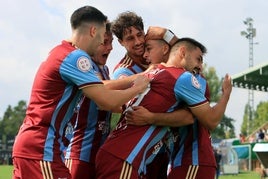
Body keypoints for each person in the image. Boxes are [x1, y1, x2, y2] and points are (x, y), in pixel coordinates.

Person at [12, 6, 149, 179]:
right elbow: (106, 100)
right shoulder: (76, 57)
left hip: (34, 145)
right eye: (101, 38)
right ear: (93, 31)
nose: (103, 44)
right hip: (42, 146)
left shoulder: (60, 52)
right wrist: (138, 86)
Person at [95, 37, 232, 179]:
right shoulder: (183, 78)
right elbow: (211, 120)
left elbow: (102, 89)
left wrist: (150, 117)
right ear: (183, 52)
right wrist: (226, 94)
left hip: (115, 153)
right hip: (125, 157)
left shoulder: (152, 73)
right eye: (198, 59)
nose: (200, 67)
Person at [64, 22, 114, 179]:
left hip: (99, 154)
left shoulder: (105, 69)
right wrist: (138, 81)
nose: (110, 47)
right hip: (80, 154)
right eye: (105, 42)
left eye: (111, 42)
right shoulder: (85, 64)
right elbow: (104, 90)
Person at [111, 11, 148, 80]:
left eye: (139, 35)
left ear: (144, 32)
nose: (138, 42)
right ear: (121, 42)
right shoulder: (123, 71)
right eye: (130, 38)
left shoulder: (158, 51)